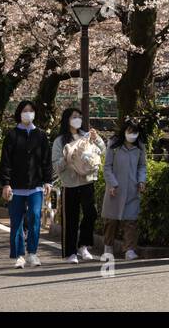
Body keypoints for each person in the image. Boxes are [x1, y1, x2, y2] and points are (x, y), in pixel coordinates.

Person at [0, 101, 53, 268]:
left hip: (36, 186)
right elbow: (5, 161)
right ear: (19, 113)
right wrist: (6, 183)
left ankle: (32, 253)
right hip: (16, 186)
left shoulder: (41, 135)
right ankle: (18, 255)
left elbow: (46, 160)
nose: (28, 113)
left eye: (30, 111)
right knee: (16, 221)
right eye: (24, 110)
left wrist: (48, 181)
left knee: (35, 217)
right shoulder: (12, 135)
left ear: (35, 113)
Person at [52, 107, 104, 263]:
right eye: (74, 116)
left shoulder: (86, 136)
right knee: (70, 218)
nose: (78, 119)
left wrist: (97, 139)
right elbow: (56, 166)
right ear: (67, 119)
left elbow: (101, 150)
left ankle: (84, 245)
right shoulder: (60, 141)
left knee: (91, 213)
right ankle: (70, 252)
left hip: (87, 180)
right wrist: (67, 158)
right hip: (69, 184)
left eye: (79, 117)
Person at [102, 117, 148, 260]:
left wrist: (141, 181)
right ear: (124, 131)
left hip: (132, 188)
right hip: (115, 189)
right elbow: (107, 167)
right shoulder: (114, 146)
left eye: (135, 132)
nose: (132, 135)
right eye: (129, 131)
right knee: (111, 221)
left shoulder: (140, 147)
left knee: (131, 221)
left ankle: (129, 249)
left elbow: (142, 166)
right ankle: (108, 248)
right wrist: (112, 183)